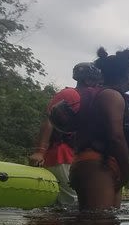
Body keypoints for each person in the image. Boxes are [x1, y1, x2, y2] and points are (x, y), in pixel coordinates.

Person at [69, 47, 129, 211]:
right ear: (127, 75)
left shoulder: (105, 94)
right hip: (97, 164)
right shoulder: (111, 96)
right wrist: (126, 172)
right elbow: (115, 137)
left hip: (100, 164)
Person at [29, 62, 101, 205]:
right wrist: (39, 152)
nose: (99, 85)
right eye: (96, 82)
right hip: (61, 155)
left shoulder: (90, 100)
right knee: (74, 201)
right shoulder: (70, 94)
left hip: (71, 156)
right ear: (87, 80)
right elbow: (49, 121)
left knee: (64, 202)